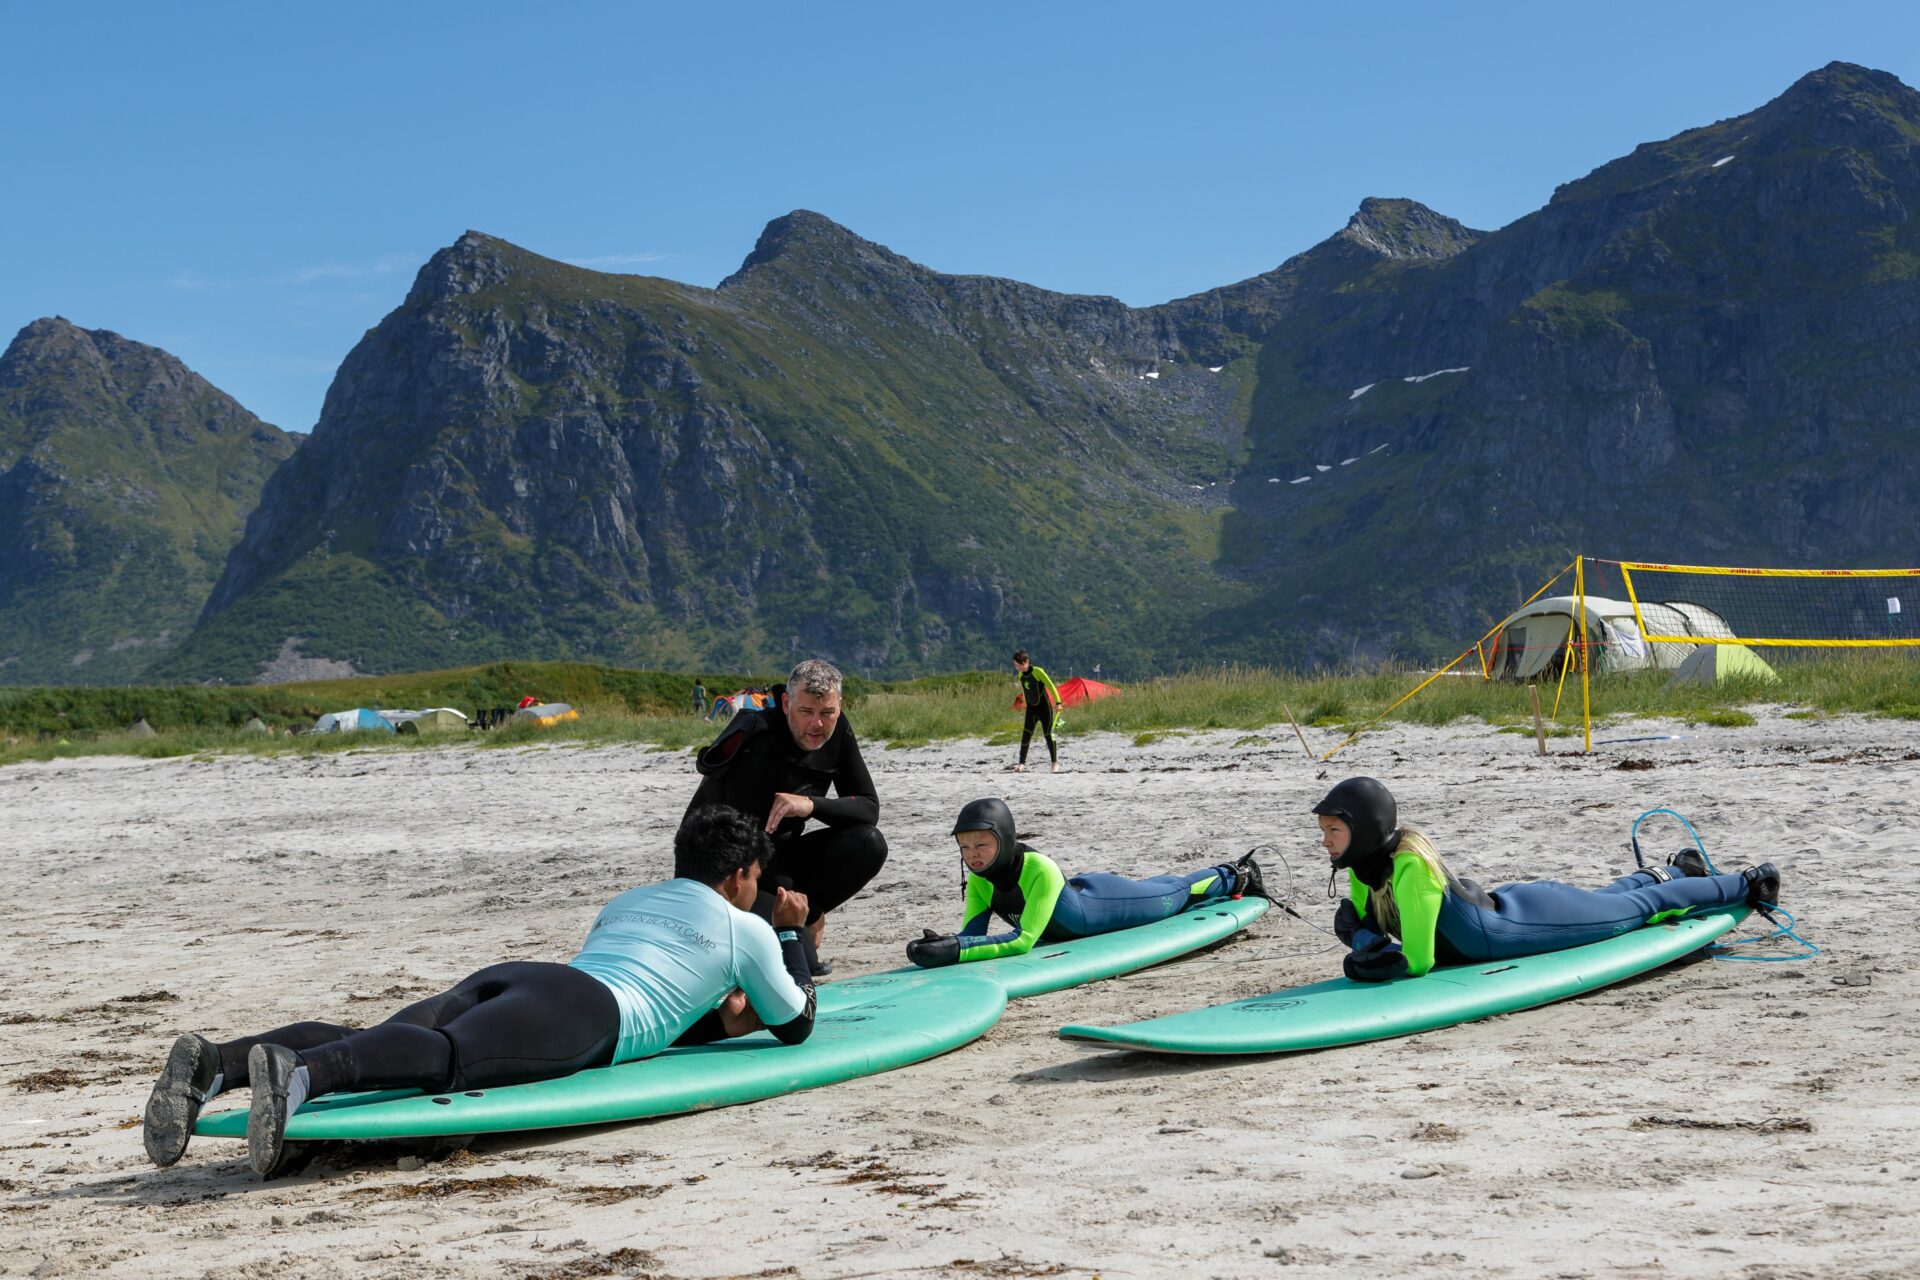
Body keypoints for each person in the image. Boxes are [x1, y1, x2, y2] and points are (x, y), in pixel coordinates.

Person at [142, 806, 816, 1178]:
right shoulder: (743, 926)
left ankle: (219, 1062)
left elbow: (665, 991)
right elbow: (795, 1022)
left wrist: (717, 1022)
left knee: (379, 1038)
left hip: (528, 978)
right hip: (587, 1012)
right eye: (756, 878)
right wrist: (791, 935)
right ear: (737, 878)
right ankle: (301, 1076)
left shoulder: (629, 900)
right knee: (445, 1057)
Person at [1311, 776, 1782, 982]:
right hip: (1507, 906)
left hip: (1523, 927)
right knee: (1607, 900)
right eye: (1325, 831)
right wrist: (1363, 935)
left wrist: (1361, 948)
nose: (1327, 841)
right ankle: (1676, 869)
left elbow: (1417, 962)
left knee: (1641, 911)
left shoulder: (1412, 869)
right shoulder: (1363, 868)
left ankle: (1748, 881)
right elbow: (1371, 928)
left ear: (1367, 829)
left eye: (1335, 830)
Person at [687, 658, 886, 975]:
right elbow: (751, 854)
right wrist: (804, 913)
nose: (817, 725)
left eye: (827, 713)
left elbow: (867, 808)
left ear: (839, 705)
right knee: (801, 964)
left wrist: (811, 804)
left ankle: (796, 919)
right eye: (806, 712)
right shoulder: (758, 741)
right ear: (785, 703)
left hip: (778, 854)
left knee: (869, 843)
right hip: (726, 874)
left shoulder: (837, 730)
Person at [904, 797, 1266, 967]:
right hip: (1078, 891)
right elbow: (974, 933)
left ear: (1006, 838)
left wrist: (958, 950)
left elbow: (1023, 941)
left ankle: (1235, 872)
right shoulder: (981, 878)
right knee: (1165, 888)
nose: (973, 855)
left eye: (981, 844)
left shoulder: (1038, 868)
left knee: (1174, 893)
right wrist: (950, 943)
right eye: (964, 847)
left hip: (1103, 904)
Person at [1011, 649, 1063, 773]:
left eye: (1018, 665)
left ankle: (1054, 763)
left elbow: (1051, 685)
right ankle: (1021, 764)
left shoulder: (1038, 671)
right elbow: (1025, 691)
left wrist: (1058, 702)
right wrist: (1024, 703)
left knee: (1048, 734)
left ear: (1026, 662)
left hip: (1044, 708)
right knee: (1026, 735)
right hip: (1031, 709)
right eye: (1015, 665)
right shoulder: (1020, 675)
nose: (1017, 667)